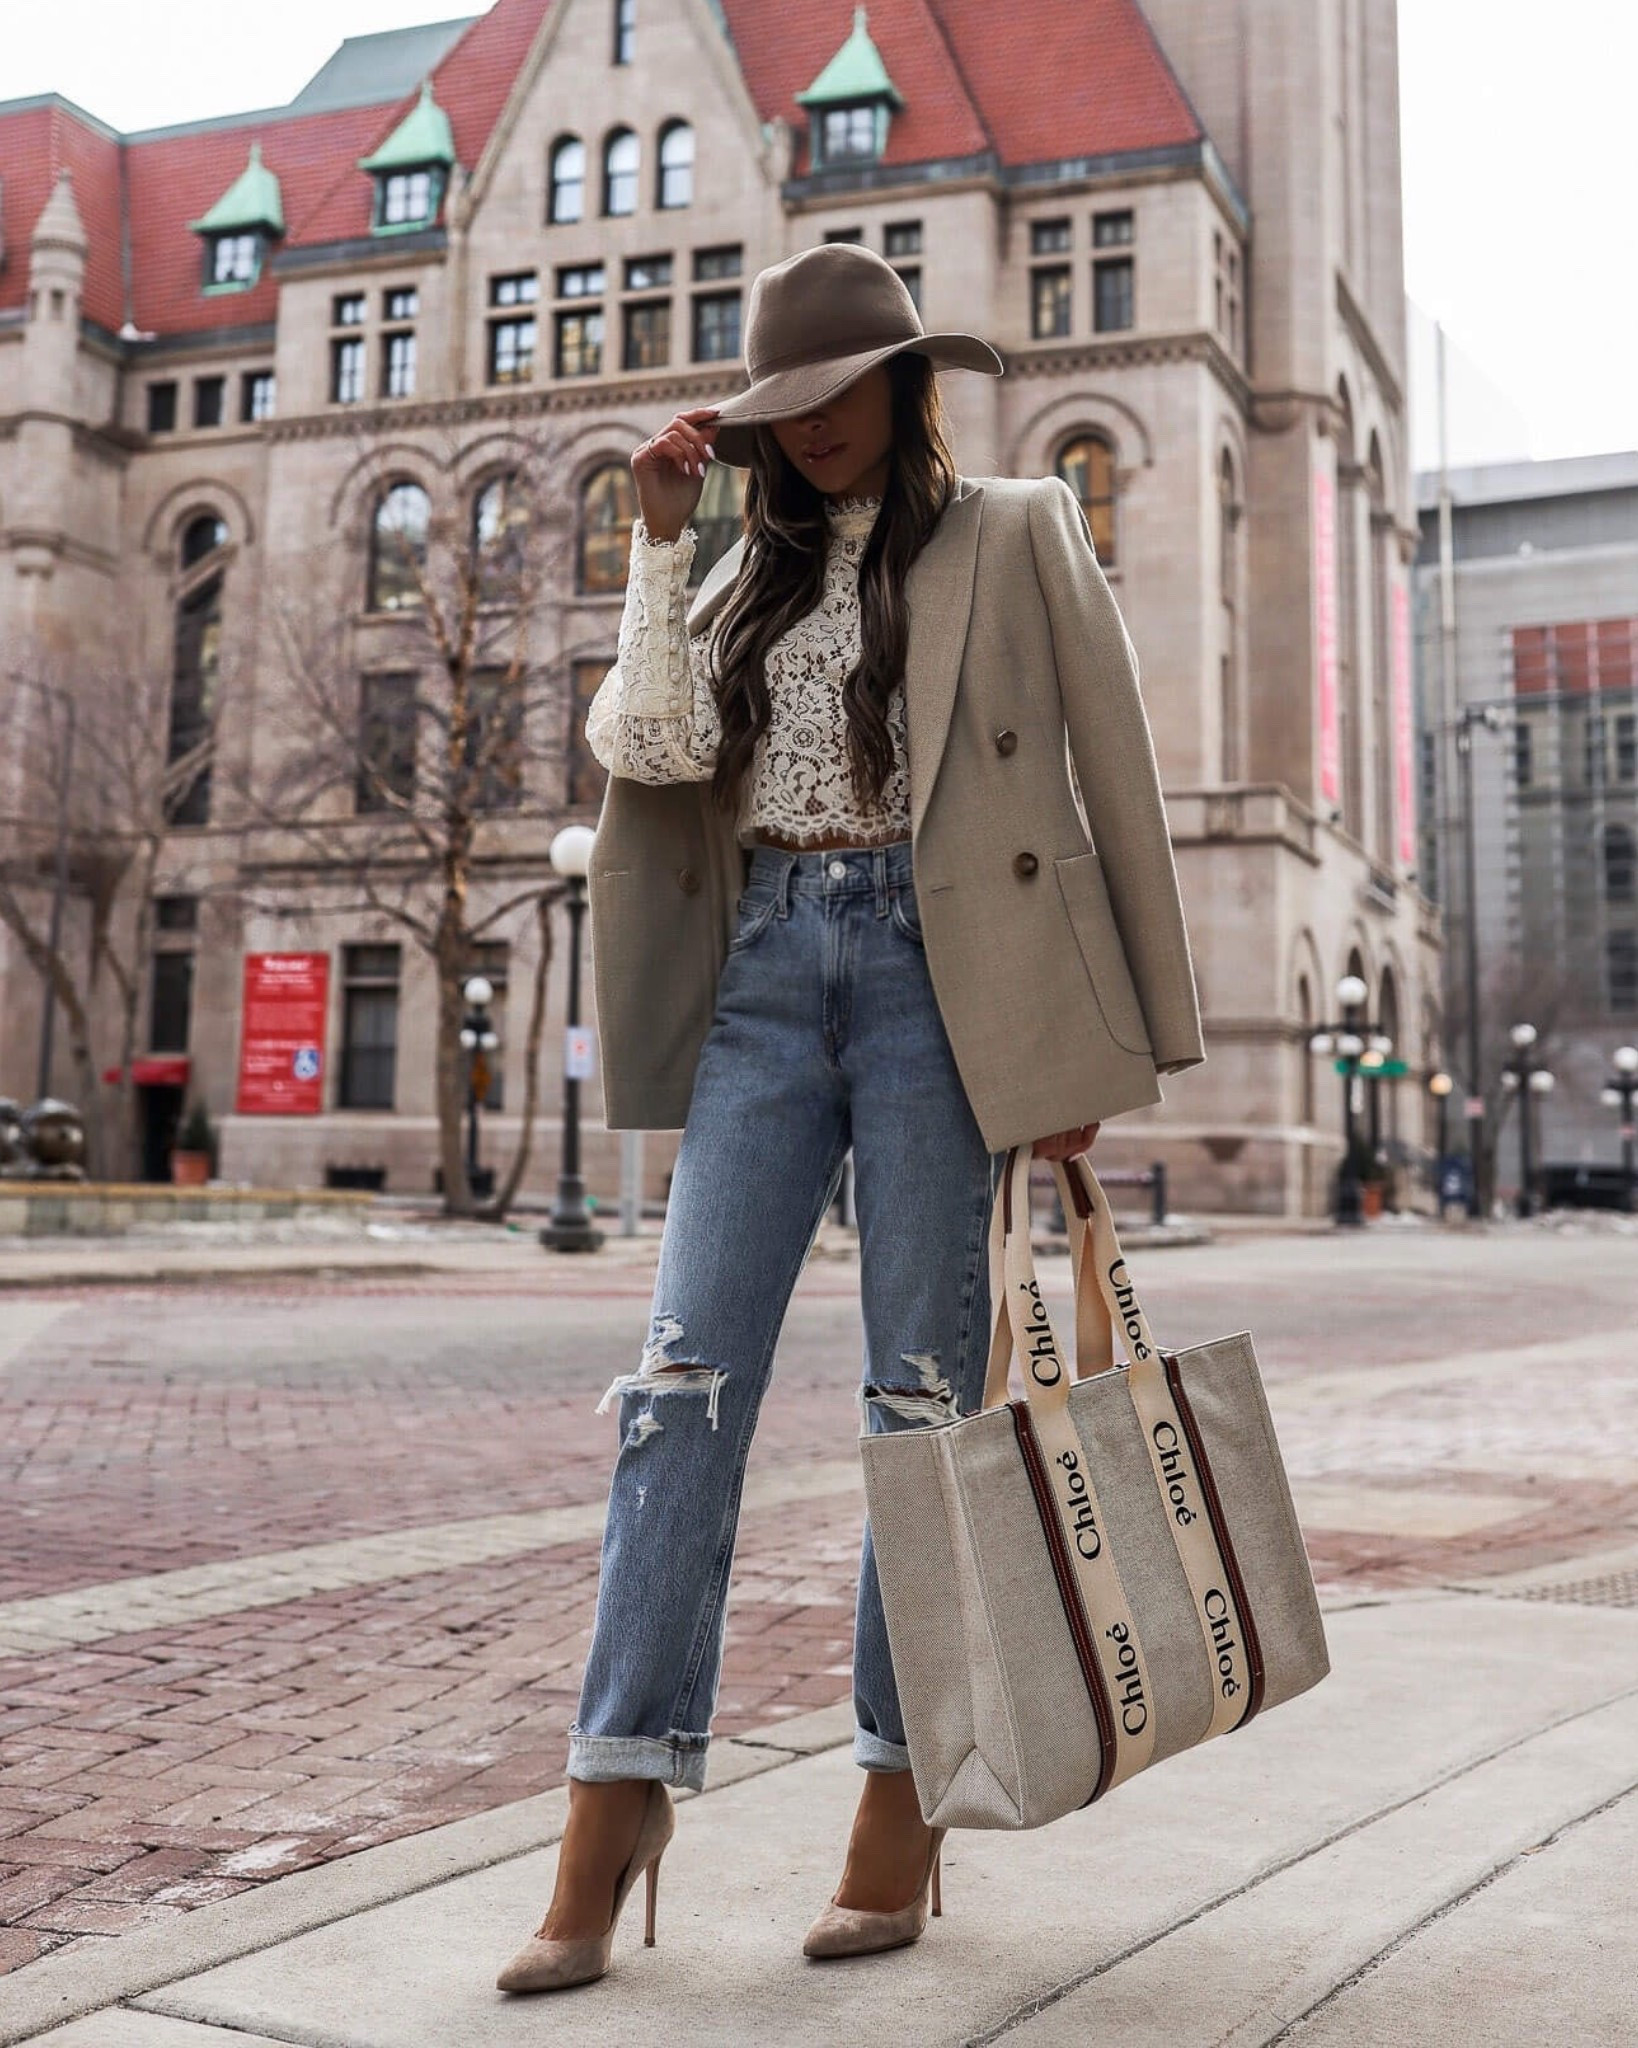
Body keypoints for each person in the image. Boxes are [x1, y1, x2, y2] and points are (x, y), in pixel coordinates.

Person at [496, 244, 1203, 1994]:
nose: (805, 429)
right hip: (760, 980)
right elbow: (650, 755)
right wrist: (662, 545)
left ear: (900, 382)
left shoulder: (1017, 531)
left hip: (936, 991)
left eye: (832, 395)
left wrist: (1096, 1056)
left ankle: (898, 1793)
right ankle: (615, 1794)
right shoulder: (736, 568)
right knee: (677, 1394)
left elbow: (1111, 778)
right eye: (774, 408)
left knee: (919, 1404)